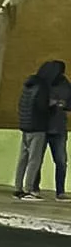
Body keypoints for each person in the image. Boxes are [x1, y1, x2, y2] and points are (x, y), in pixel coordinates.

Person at [14, 62, 56, 199]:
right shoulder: (42, 87)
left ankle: (17, 188)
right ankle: (28, 189)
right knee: (34, 159)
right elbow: (42, 107)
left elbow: (22, 104)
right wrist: (52, 105)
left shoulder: (28, 85)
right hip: (37, 127)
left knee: (22, 159)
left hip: (25, 126)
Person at [46, 62, 71, 200]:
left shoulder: (65, 84)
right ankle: (33, 189)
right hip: (42, 127)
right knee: (37, 160)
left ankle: (60, 192)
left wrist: (63, 104)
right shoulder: (43, 83)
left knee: (61, 161)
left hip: (59, 127)